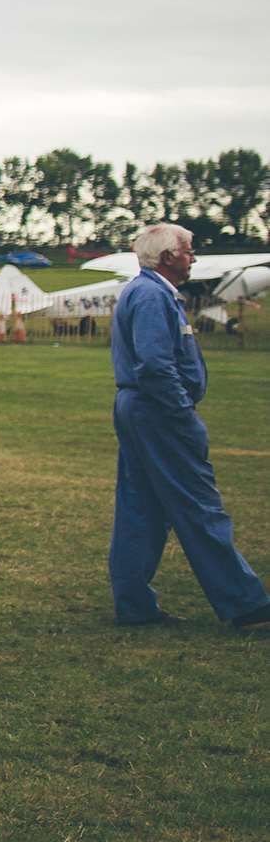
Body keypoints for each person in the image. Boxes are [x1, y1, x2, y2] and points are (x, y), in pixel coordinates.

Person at [107, 224, 270, 629]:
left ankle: (134, 605)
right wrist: (182, 413)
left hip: (142, 409)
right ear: (167, 257)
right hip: (158, 412)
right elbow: (155, 365)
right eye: (188, 251)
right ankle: (246, 605)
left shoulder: (149, 292)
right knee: (198, 504)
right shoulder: (151, 295)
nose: (193, 258)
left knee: (141, 507)